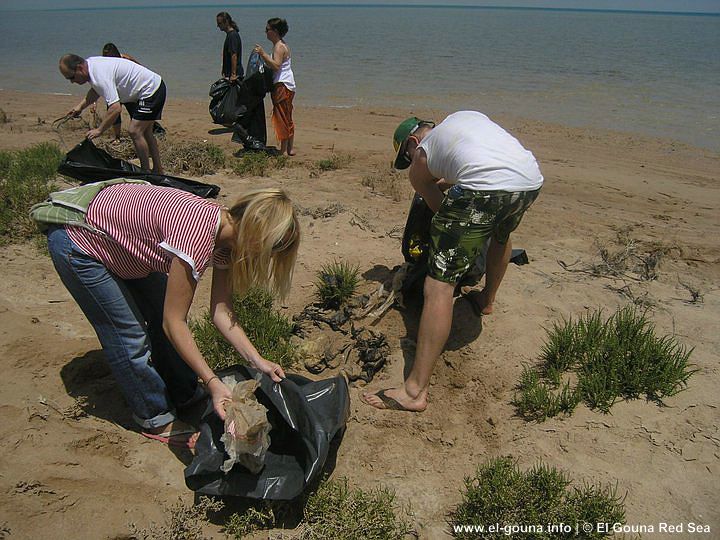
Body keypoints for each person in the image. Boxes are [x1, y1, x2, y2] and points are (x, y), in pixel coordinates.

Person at [46, 184, 300, 445]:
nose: (265, 257)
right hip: (79, 241)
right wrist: (212, 380)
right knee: (129, 335)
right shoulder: (197, 233)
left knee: (160, 311)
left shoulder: (227, 238)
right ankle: (154, 417)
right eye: (271, 250)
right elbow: (173, 323)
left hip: (125, 246)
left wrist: (258, 360)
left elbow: (221, 311)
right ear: (258, 235)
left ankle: (184, 394)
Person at [362, 111, 543, 413]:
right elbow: (469, 168)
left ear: (412, 143)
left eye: (406, 156)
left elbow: (439, 209)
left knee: (439, 284)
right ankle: (486, 299)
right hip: (528, 180)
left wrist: (453, 243)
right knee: (501, 235)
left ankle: (415, 390)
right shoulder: (463, 119)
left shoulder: (421, 157)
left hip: (485, 187)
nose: (410, 162)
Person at [59, 53, 166, 173]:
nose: (72, 82)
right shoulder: (91, 65)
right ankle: (158, 170)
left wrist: (99, 130)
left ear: (79, 68)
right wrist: (80, 107)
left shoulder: (98, 75)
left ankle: (146, 172)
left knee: (135, 131)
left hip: (151, 90)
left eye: (71, 77)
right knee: (146, 132)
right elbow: (95, 91)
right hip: (155, 86)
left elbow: (115, 108)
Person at [95, 43, 164, 141]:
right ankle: (117, 137)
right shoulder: (104, 64)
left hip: (129, 91)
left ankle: (155, 130)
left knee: (137, 114)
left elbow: (140, 70)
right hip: (115, 92)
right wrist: (94, 102)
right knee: (114, 114)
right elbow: (98, 83)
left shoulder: (126, 59)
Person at [253, 18, 296, 156]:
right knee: (287, 116)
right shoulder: (283, 45)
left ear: (275, 31)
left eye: (267, 29)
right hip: (288, 84)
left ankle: (283, 150)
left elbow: (276, 65)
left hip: (282, 84)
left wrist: (263, 54)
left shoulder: (279, 47)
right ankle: (289, 149)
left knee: (281, 116)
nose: (265, 32)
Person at [217, 11, 243, 81]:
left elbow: (234, 55)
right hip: (229, 74)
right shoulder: (230, 35)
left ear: (226, 22)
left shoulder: (232, 36)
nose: (218, 26)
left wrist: (233, 74)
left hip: (235, 75)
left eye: (219, 23)